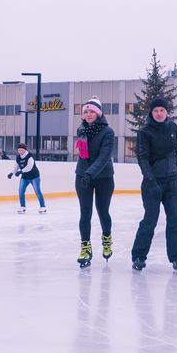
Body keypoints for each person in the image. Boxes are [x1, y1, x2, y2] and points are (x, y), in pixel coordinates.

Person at [131, 98, 177, 272]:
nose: (159, 113)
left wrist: (175, 173)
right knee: (150, 220)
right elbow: (143, 158)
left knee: (175, 220)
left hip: (171, 182)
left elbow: (172, 153)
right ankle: (139, 257)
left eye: (162, 110)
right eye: (155, 110)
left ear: (166, 112)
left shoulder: (172, 128)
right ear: (151, 112)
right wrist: (152, 182)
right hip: (152, 184)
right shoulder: (145, 132)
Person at [75, 96, 115, 268]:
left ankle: (106, 238)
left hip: (104, 177)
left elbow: (104, 157)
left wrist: (90, 173)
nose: (89, 114)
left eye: (92, 111)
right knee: (85, 213)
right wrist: (84, 174)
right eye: (86, 112)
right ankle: (85, 247)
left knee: (102, 211)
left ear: (98, 113)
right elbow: (83, 156)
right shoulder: (81, 130)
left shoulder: (108, 132)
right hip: (83, 176)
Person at [7, 143, 46, 214]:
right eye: (18, 150)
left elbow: (29, 167)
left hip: (34, 176)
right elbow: (16, 167)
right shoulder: (18, 157)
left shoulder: (30, 156)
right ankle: (22, 207)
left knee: (37, 191)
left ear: (25, 150)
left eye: (21, 150)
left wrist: (21, 172)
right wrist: (11, 173)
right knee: (21, 191)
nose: (20, 151)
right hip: (25, 177)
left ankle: (43, 207)